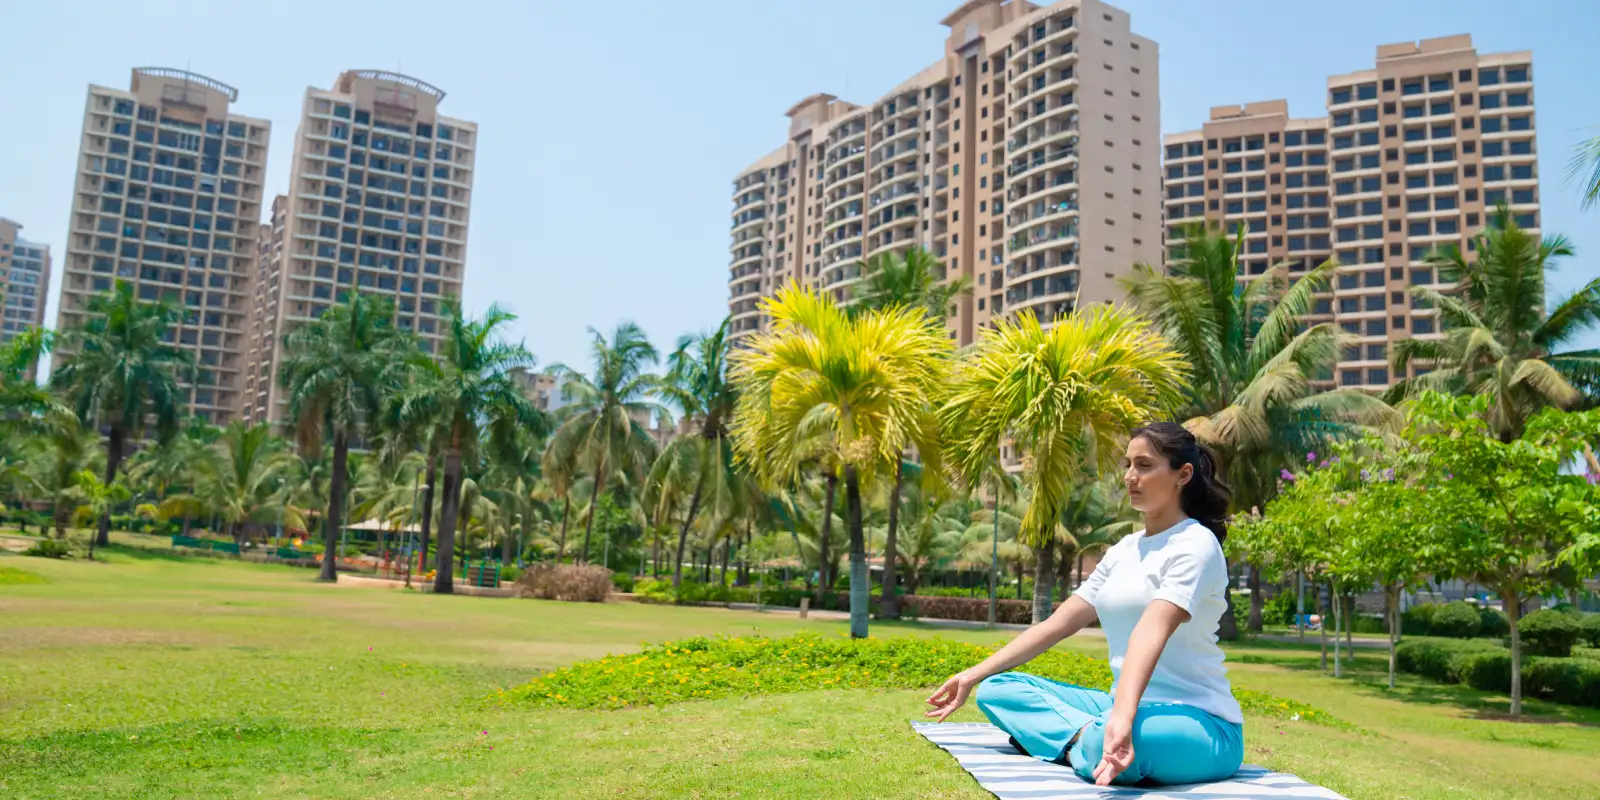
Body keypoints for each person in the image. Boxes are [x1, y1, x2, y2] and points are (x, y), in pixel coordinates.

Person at [924, 422, 1243, 787]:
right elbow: (1055, 625)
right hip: (1121, 707)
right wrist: (971, 675)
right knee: (999, 690)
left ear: (1183, 474)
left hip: (1200, 722)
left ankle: (1084, 740)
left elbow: (1149, 630)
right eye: (1127, 464)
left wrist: (1121, 720)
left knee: (1107, 736)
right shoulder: (1125, 549)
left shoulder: (1195, 544)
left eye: (1144, 465)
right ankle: (1088, 740)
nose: (1129, 476)